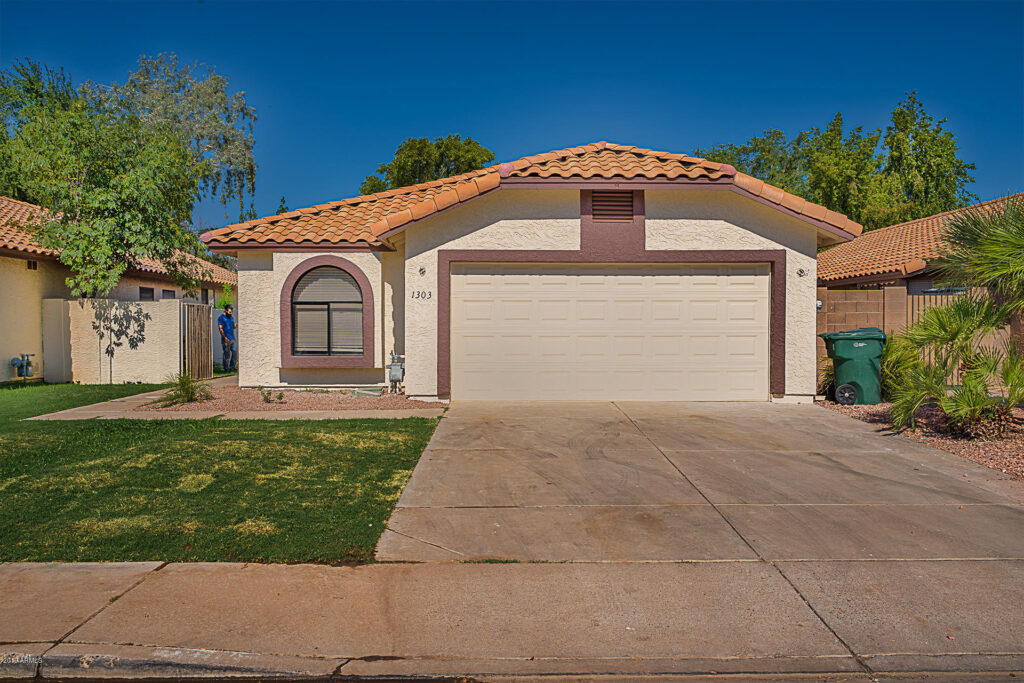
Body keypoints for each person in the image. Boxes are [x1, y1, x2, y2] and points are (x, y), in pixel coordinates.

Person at [217, 304, 237, 372]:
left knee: (235, 352)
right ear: (225, 311)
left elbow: (232, 327)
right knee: (227, 354)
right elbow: (220, 328)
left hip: (232, 338)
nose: (231, 313)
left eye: (231, 312)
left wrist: (235, 326)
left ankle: (232, 367)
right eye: (229, 312)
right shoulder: (221, 318)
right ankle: (226, 368)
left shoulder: (231, 318)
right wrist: (225, 338)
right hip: (226, 339)